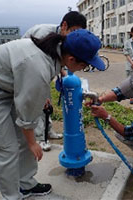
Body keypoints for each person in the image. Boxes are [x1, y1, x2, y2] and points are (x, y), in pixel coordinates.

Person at [0, 29, 105, 200]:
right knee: (5, 149)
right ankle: (12, 197)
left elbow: (32, 89)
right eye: (85, 65)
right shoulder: (38, 66)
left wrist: (42, 94)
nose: (85, 68)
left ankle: (26, 184)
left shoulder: (54, 49)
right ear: (71, 59)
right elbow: (27, 113)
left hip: (7, 86)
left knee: (23, 140)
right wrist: (33, 143)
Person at [22, 11, 87, 148]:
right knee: (38, 103)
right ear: (64, 26)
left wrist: (67, 75)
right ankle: (40, 138)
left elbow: (58, 60)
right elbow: (37, 62)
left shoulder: (64, 39)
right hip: (30, 71)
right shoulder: (43, 33)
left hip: (44, 71)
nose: (75, 37)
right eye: (74, 32)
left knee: (47, 104)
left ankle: (48, 130)